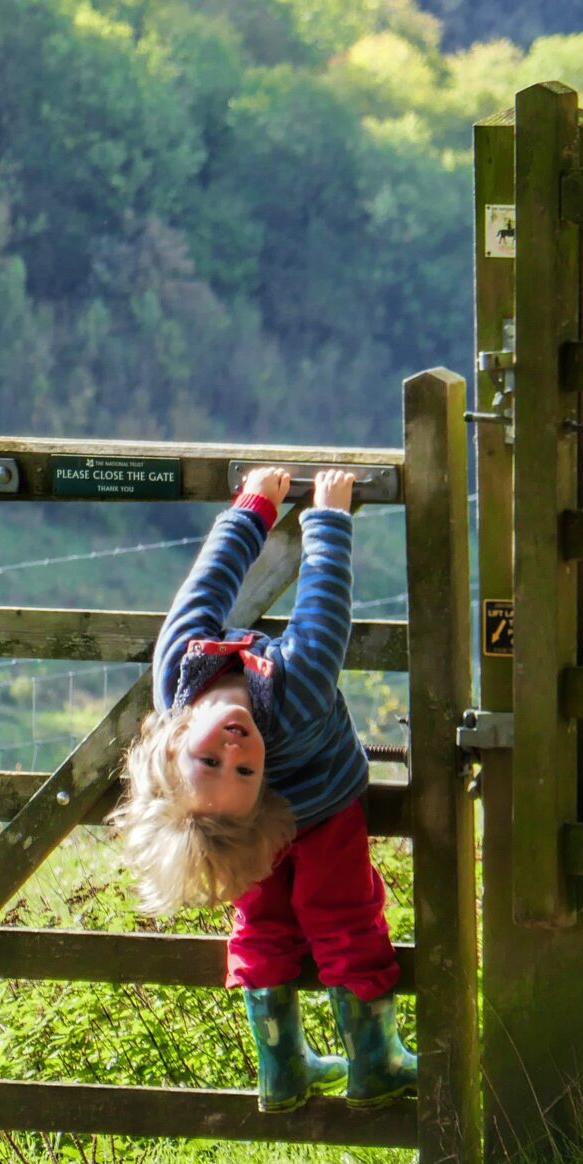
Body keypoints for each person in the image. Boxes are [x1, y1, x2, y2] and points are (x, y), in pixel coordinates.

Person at [110, 465, 417, 1112]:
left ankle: (285, 1067)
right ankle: (372, 1058)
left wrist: (252, 507)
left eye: (210, 759)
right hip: (329, 808)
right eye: (243, 770)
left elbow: (208, 583)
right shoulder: (298, 686)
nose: (235, 750)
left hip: (270, 816)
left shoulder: (177, 671)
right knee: (340, 918)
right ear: (258, 798)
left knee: (268, 921)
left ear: (173, 735)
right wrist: (328, 517)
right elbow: (324, 609)